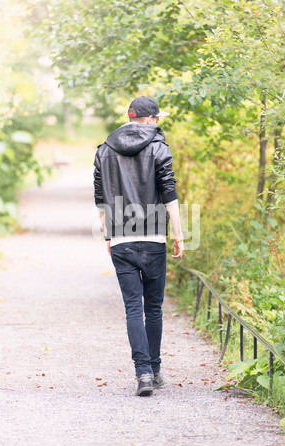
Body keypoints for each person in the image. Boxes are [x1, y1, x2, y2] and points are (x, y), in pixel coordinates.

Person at [93, 96, 184, 396]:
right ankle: (154, 369)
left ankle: (143, 374)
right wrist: (180, 234)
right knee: (153, 308)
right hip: (154, 236)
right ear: (147, 119)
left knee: (133, 307)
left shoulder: (104, 150)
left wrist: (108, 236)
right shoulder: (159, 147)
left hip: (121, 238)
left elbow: (100, 198)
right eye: (156, 118)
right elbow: (168, 193)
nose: (157, 123)